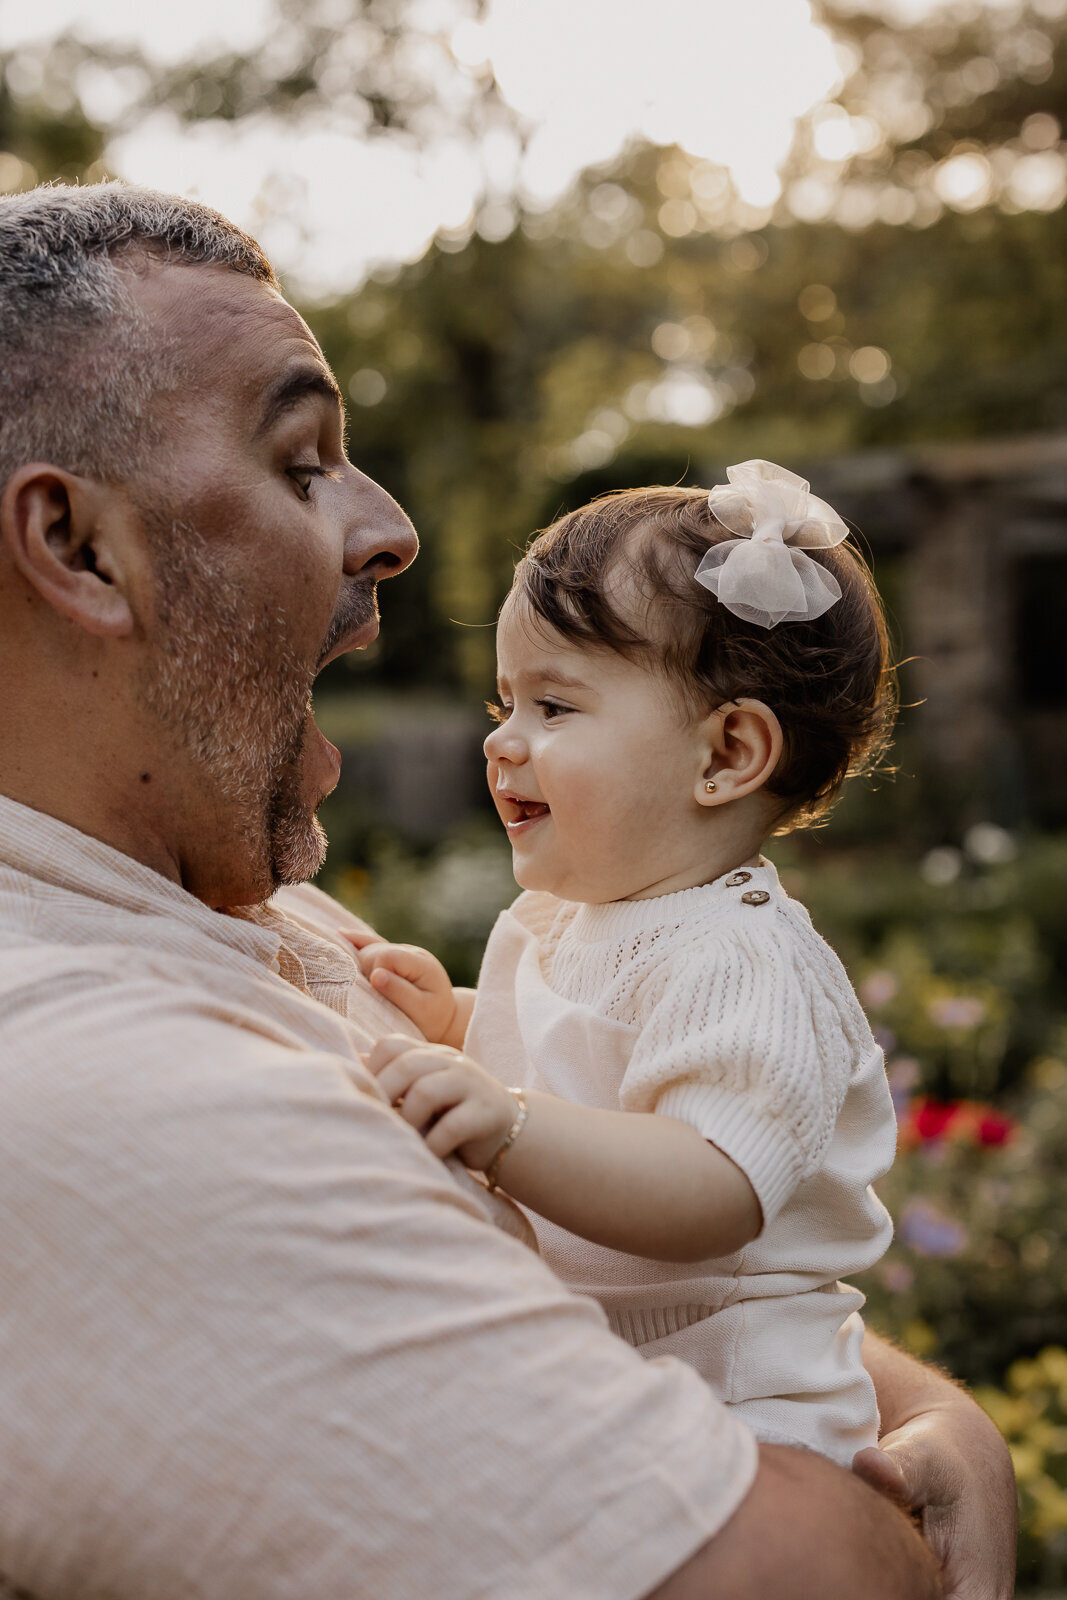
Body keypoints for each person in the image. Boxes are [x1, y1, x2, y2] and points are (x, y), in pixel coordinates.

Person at [0, 181, 1014, 1600]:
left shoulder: (246, 908)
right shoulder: (91, 1083)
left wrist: (927, 1415)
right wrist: (928, 1458)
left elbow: (698, 1250)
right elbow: (802, 1579)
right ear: (76, 547)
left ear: (730, 755)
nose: (391, 527)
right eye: (301, 461)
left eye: (559, 704)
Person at [349, 466, 898, 1468]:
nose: (502, 740)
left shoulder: (742, 958)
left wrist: (502, 1118)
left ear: (725, 753)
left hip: (748, 1416)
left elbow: (709, 1183)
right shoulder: (580, 916)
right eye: (502, 701)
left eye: (554, 706)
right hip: (627, 1387)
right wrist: (456, 1018)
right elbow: (593, 1056)